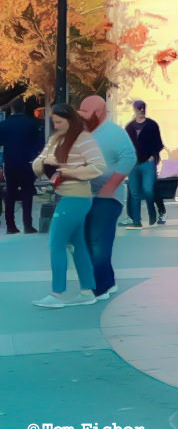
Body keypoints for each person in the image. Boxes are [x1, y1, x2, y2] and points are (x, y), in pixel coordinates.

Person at [32, 104, 107, 308]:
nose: (56, 126)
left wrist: (68, 171)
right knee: (77, 245)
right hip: (65, 196)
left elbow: (99, 166)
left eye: (59, 122)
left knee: (56, 243)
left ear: (71, 120)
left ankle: (57, 294)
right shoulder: (55, 139)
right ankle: (87, 291)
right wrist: (45, 161)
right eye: (54, 122)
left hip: (76, 197)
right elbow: (37, 164)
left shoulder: (84, 139)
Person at [77, 96, 136, 301]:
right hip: (85, 194)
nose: (82, 116)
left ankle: (98, 288)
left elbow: (129, 157)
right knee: (87, 240)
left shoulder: (113, 132)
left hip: (107, 197)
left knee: (98, 241)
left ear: (99, 112)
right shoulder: (84, 132)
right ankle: (107, 283)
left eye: (86, 112)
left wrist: (110, 186)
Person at [1, 97, 44, 233]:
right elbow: (40, 143)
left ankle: (10, 225)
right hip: (27, 162)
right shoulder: (31, 124)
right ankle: (27, 224)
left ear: (12, 109)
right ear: (23, 108)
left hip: (10, 162)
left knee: (10, 193)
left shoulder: (3, 125)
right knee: (27, 193)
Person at [124, 100, 165, 228]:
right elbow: (126, 145)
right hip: (133, 163)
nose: (142, 111)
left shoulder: (152, 125)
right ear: (134, 110)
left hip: (147, 162)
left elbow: (158, 142)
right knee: (134, 192)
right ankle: (137, 220)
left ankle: (152, 213)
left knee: (148, 189)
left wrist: (153, 156)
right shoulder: (129, 127)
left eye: (143, 108)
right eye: (139, 109)